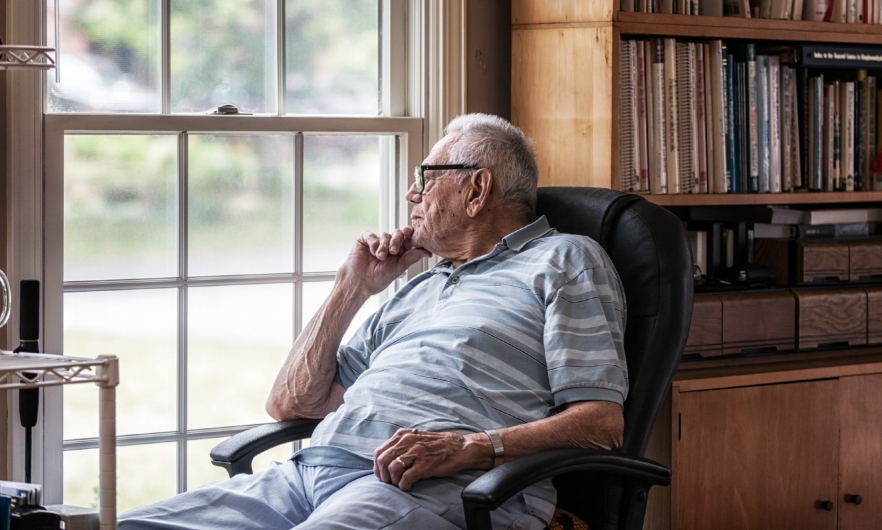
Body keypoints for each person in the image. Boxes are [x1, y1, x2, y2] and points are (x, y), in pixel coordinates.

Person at [118, 113, 627, 530]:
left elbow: (602, 425)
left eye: (424, 180)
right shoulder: (419, 288)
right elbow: (293, 403)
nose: (410, 197)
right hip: (306, 476)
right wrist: (353, 286)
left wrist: (467, 447)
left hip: (432, 489)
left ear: (477, 190)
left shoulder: (564, 259)